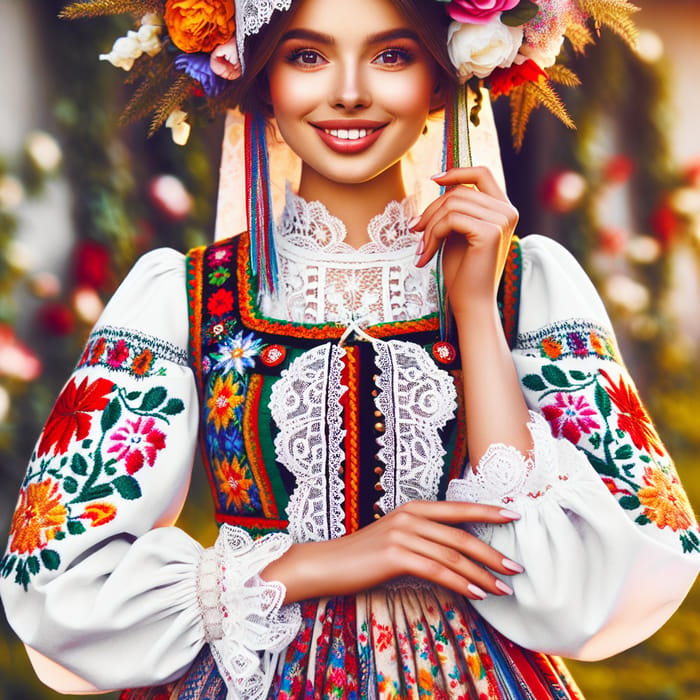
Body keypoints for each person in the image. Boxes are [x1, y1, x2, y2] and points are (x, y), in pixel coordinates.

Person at [1, 0, 699, 698]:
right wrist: (322, 563)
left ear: (441, 74)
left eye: (391, 55)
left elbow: (588, 577)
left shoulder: (525, 287)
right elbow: (58, 580)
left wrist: (476, 312)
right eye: (307, 56)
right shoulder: (184, 297)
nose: (349, 90)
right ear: (260, 77)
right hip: (254, 664)